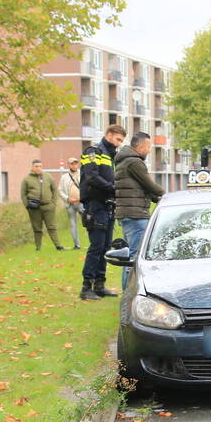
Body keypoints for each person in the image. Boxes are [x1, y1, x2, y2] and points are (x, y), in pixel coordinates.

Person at [79, 124, 127, 300]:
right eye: (117, 139)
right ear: (108, 135)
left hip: (107, 205)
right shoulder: (94, 151)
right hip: (95, 204)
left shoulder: (110, 155)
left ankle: (100, 285)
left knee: (106, 247)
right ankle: (86, 287)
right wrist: (113, 188)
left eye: (121, 141)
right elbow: (92, 177)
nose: (119, 144)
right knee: (96, 246)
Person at [114, 132, 164, 288]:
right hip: (135, 215)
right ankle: (128, 292)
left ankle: (128, 290)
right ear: (139, 146)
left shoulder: (125, 161)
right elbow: (149, 185)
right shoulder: (134, 163)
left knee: (131, 255)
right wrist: (167, 197)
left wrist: (157, 198)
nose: (149, 150)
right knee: (135, 257)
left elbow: (143, 190)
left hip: (129, 214)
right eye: (148, 147)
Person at [20, 159, 64, 251]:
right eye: (36, 166)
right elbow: (23, 194)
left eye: (40, 166)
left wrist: (53, 203)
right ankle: (38, 247)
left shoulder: (48, 177)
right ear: (32, 167)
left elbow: (54, 190)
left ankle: (58, 246)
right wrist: (27, 206)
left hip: (48, 206)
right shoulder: (27, 179)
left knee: (52, 227)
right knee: (37, 228)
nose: (38, 168)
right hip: (34, 208)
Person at [58, 157, 83, 249]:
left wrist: (83, 198)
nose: (74, 165)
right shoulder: (64, 177)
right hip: (70, 204)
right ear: (68, 165)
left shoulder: (82, 174)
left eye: (75, 163)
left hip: (81, 203)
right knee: (73, 224)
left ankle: (93, 243)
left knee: (88, 223)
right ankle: (77, 245)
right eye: (72, 164)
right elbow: (60, 190)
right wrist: (67, 199)